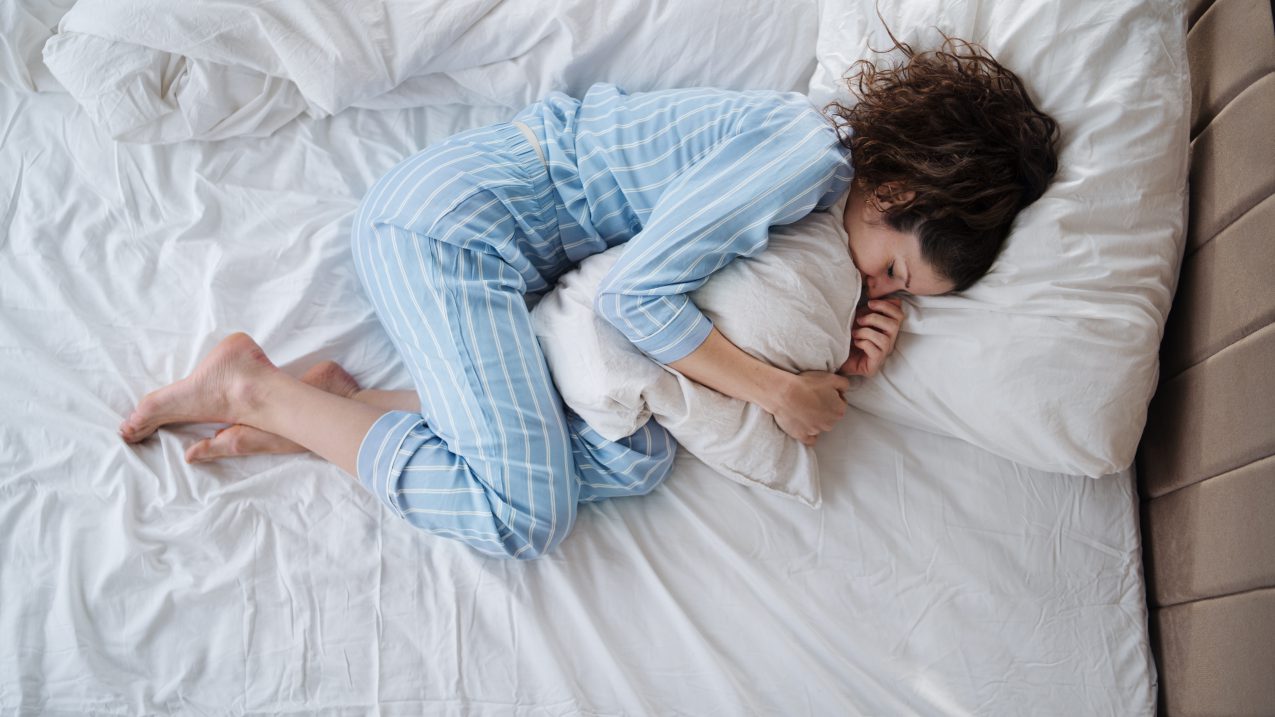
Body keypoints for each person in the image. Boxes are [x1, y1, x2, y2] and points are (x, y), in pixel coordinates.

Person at [118, 33, 1059, 559]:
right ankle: (257, 388)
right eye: (893, 268)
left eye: (903, 294)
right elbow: (637, 305)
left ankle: (336, 407)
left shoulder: (818, 196)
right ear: (895, 195)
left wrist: (849, 340)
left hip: (504, 262)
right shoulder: (805, 157)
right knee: (520, 515)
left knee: (635, 454)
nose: (876, 285)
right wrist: (777, 392)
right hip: (452, 228)